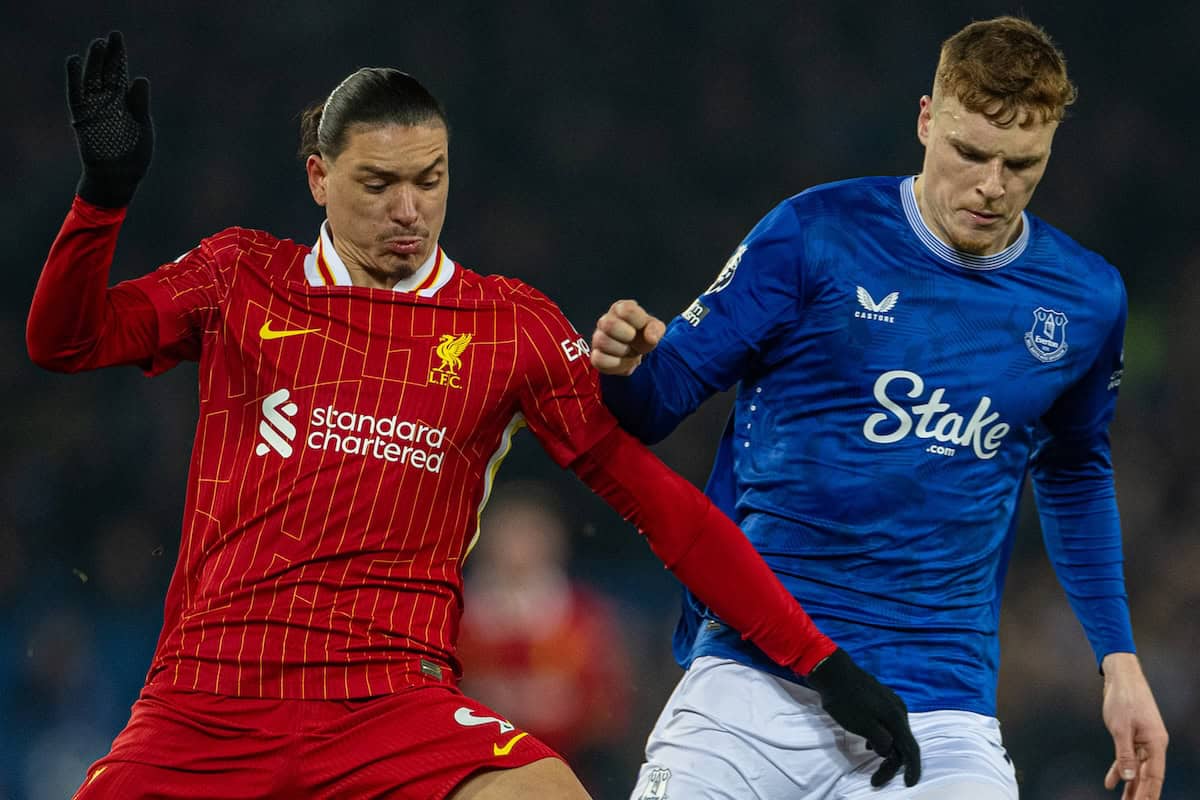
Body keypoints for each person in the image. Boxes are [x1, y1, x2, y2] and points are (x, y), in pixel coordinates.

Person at [29, 32, 920, 800]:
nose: (408, 210)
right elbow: (63, 342)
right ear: (317, 177)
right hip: (208, 698)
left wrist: (819, 662)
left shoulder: (511, 328)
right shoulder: (240, 276)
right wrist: (102, 200)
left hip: (390, 704)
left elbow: (666, 509)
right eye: (377, 183)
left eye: (429, 179)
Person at [591, 15, 1169, 800]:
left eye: (1021, 164)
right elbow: (656, 405)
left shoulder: (1086, 299)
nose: (993, 186)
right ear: (927, 119)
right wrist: (625, 368)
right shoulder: (814, 234)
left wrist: (1119, 660)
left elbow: (1073, 471)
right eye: (970, 153)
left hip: (938, 703)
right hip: (753, 676)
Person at [456, 485, 634, 793]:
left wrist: (564, 712)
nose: (518, 549)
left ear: (553, 541)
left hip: (571, 767)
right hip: (475, 772)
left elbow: (609, 701)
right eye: (509, 535)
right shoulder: (457, 616)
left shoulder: (583, 615)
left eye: (529, 536)